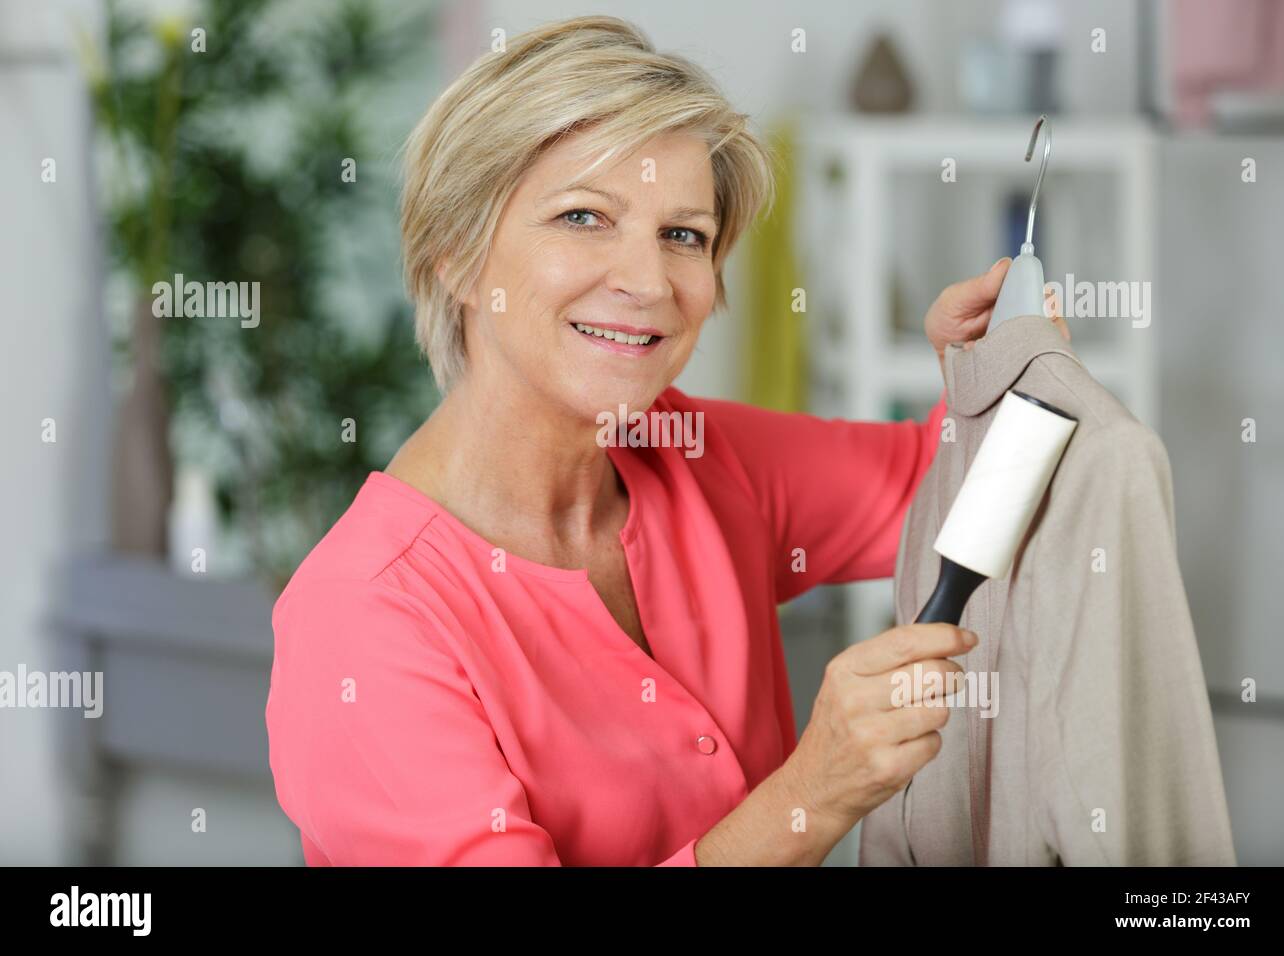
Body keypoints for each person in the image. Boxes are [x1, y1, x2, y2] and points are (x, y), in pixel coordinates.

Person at [265, 15, 1065, 866]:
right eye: (583, 217)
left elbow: (949, 485)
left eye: (683, 235)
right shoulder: (364, 618)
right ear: (455, 254)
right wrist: (812, 793)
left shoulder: (696, 457)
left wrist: (986, 365)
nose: (648, 283)